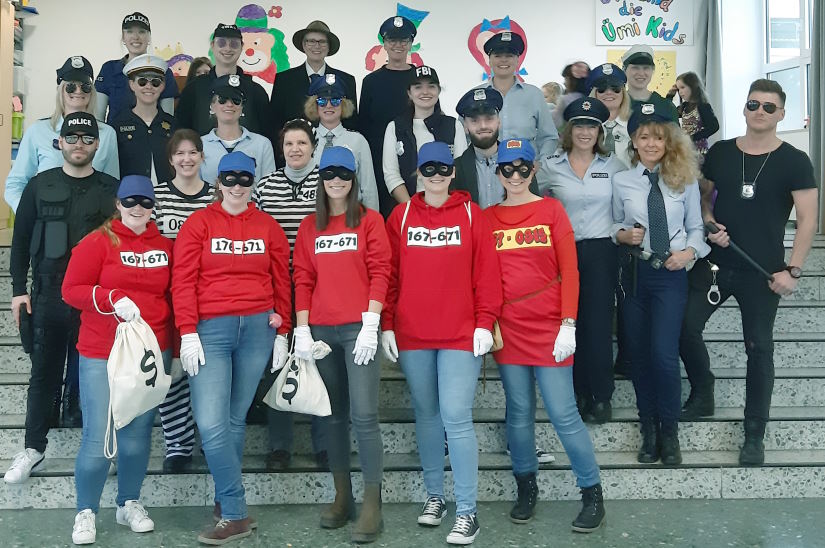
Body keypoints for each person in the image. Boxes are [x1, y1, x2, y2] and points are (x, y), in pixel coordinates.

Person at [679, 79, 818, 466]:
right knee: (683, 326)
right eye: (754, 104)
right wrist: (709, 222)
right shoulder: (721, 152)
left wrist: (793, 269)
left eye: (769, 107)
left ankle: (754, 433)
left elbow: (808, 219)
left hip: (763, 272)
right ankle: (703, 391)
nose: (760, 111)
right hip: (716, 263)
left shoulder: (794, 161)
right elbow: (703, 198)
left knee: (759, 349)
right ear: (744, 108)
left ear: (781, 114)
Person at [382, 141, 502, 545]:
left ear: (452, 173)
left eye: (442, 169)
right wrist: (386, 325)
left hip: (460, 333)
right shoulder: (400, 216)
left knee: (456, 416)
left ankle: (467, 511)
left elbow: (487, 273)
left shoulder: (472, 214)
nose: (435, 175)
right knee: (427, 416)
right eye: (428, 168)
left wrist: (485, 322)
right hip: (413, 333)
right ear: (418, 173)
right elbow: (389, 275)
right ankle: (435, 496)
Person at [485, 137, 606, 532]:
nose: (515, 175)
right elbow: (483, 277)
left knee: (563, 412)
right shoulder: (486, 219)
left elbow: (570, 271)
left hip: (552, 328)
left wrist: (568, 323)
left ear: (533, 169)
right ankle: (526, 487)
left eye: (522, 167)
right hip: (510, 329)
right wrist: (487, 324)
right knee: (519, 413)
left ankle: (591, 493)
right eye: (507, 168)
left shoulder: (552, 210)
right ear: (498, 173)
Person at [172, 151, 292, 544]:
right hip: (211, 329)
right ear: (218, 182)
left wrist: (283, 329)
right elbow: (183, 279)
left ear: (253, 182)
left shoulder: (268, 226)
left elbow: (281, 278)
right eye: (230, 179)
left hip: (257, 328)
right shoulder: (199, 223)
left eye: (245, 179)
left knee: (235, 419)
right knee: (211, 421)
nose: (237, 186)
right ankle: (237, 510)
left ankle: (225, 504)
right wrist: (187, 330)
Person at [4, 112, 118, 485]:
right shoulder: (39, 186)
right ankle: (33, 449)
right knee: (43, 375)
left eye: (86, 138)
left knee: (97, 379)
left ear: (97, 144)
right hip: (48, 296)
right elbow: (21, 241)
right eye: (72, 137)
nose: (79, 144)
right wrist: (18, 291)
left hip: (95, 301)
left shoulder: (112, 190)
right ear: (60, 142)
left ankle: (101, 448)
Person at [61, 175, 173, 545]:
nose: (137, 208)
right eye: (130, 201)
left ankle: (128, 503)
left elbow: (175, 296)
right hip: (102, 350)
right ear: (118, 204)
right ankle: (86, 510)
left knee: (137, 435)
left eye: (145, 202)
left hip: (149, 351)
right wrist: (110, 298)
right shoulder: (97, 242)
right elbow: (71, 290)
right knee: (99, 435)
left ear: (154, 206)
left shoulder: (166, 246)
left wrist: (177, 347)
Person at [292, 146, 391, 543]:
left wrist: (372, 322)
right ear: (321, 178)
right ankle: (342, 496)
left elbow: (381, 271)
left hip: (358, 330)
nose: (336, 180)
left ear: (353, 179)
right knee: (332, 417)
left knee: (364, 415)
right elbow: (302, 278)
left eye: (344, 174)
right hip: (321, 331)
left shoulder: (370, 220)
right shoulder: (309, 226)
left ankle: (372, 503)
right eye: (329, 173)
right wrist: (302, 329)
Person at [612, 102, 710, 466]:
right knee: (639, 356)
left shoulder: (684, 179)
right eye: (643, 137)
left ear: (669, 142)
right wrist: (622, 235)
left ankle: (669, 432)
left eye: (657, 137)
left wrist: (689, 253)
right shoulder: (622, 181)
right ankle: (648, 430)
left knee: (664, 356)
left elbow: (697, 228)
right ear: (634, 142)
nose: (651, 144)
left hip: (670, 275)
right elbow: (614, 224)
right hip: (636, 275)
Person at [542, 98, 625, 424]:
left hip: (602, 252)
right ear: (569, 129)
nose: (585, 132)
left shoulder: (614, 166)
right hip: (562, 252)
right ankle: (576, 392)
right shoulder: (550, 165)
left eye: (592, 126)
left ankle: (601, 395)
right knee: (568, 321)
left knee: (599, 324)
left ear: (600, 131)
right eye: (579, 125)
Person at [256, 119, 327, 470]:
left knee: (321, 360)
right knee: (279, 362)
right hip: (278, 284)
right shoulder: (265, 186)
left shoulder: (328, 182)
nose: (295, 149)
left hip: (321, 283)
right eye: (288, 144)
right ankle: (280, 446)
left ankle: (325, 444)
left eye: (301, 143)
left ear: (313, 147)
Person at [152, 129, 214, 473]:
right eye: (180, 153)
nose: (187, 159)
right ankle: (178, 443)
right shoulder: (157, 196)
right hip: (165, 295)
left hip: (208, 295)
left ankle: (211, 438)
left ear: (202, 156)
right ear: (170, 159)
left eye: (193, 152)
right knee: (171, 372)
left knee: (206, 370)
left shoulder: (217, 196)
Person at [5, 56, 119, 212]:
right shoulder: (38, 131)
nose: (78, 91)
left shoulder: (106, 134)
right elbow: (15, 184)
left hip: (91, 220)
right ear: (61, 90)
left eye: (85, 86)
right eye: (71, 86)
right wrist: (29, 213)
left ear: (92, 92)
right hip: (48, 218)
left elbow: (111, 186)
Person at [476, 32, 558, 182]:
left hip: (526, 173)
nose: (504, 60)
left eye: (509, 55)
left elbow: (549, 137)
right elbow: (465, 136)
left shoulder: (534, 95)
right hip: (488, 174)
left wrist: (541, 163)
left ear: (518, 59)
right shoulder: (477, 96)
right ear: (489, 60)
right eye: (498, 55)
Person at [359, 15, 418, 217]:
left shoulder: (421, 79)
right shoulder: (371, 82)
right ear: (384, 43)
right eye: (392, 40)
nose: (398, 45)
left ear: (410, 43)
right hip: (378, 165)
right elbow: (363, 126)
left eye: (404, 40)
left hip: (415, 163)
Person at [383, 65, 467, 204]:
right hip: (409, 206)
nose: (425, 92)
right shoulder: (395, 127)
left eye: (431, 86)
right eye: (418, 87)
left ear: (439, 91)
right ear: (409, 93)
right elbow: (391, 175)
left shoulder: (453, 125)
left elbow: (461, 171)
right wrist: (412, 208)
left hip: (447, 207)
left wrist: (445, 207)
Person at [176, 24, 272, 139]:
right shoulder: (194, 89)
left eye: (234, 44)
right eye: (221, 43)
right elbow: (181, 133)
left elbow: (267, 133)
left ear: (241, 47)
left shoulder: (256, 91)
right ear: (212, 45)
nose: (227, 48)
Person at [270, 21, 358, 137]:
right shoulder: (284, 80)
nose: (317, 46)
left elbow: (351, 123)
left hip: (335, 145)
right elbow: (274, 122)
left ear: (329, 46)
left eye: (322, 42)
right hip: (295, 145)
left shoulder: (346, 80)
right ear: (303, 45)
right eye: (311, 41)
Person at [304, 74, 378, 211]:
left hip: (352, 215)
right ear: (314, 105)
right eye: (322, 101)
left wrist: (373, 221)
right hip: (313, 215)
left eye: (335, 101)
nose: (328, 105)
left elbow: (369, 189)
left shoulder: (358, 140)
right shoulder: (305, 140)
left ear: (343, 104)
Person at [95, 12, 178, 123]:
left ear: (149, 37)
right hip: (114, 133)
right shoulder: (109, 69)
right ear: (123, 37)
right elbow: (98, 119)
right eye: (129, 31)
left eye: (141, 32)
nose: (135, 37)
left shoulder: (164, 71)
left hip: (152, 133)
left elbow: (167, 120)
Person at [110, 54, 178, 184]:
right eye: (142, 81)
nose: (149, 86)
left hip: (168, 195)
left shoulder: (174, 125)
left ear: (163, 86)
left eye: (155, 82)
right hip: (131, 195)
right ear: (132, 84)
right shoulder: (116, 126)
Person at [200, 75, 276, 185]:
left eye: (236, 100)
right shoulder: (200, 145)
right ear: (212, 106)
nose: (229, 104)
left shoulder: (262, 144)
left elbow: (269, 188)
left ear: (242, 107)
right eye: (222, 100)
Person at [586, 63, 633, 168]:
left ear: (623, 93)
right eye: (602, 89)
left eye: (615, 88)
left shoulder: (636, 124)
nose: (609, 93)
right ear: (594, 93)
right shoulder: (584, 127)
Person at [666, 72, 720, 157]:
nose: (680, 92)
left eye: (682, 87)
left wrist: (692, 137)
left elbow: (714, 126)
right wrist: (670, 96)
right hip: (686, 151)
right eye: (678, 89)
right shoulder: (684, 107)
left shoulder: (703, 106)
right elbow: (669, 113)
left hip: (699, 153)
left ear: (693, 86)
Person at [620, 45, 678, 122]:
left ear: (653, 70)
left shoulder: (666, 106)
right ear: (624, 69)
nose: (641, 73)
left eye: (646, 68)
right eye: (635, 68)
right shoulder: (617, 104)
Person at [552, 61, 590, 129]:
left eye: (566, 79)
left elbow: (556, 123)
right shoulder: (592, 97)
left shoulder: (565, 100)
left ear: (572, 81)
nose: (564, 83)